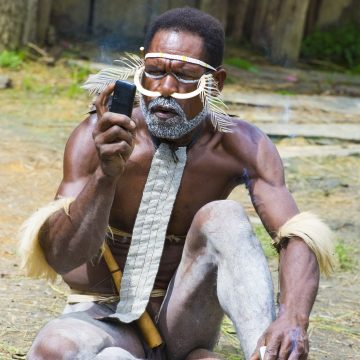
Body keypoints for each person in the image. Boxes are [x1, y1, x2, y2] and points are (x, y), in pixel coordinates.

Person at [20, 7, 334, 360]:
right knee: (59, 349)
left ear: (215, 83)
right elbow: (61, 257)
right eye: (154, 73)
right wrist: (105, 175)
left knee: (224, 216)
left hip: (185, 321)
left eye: (185, 76)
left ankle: (266, 354)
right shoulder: (99, 136)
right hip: (102, 316)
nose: (165, 88)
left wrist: (292, 318)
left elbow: (296, 235)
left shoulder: (239, 144)